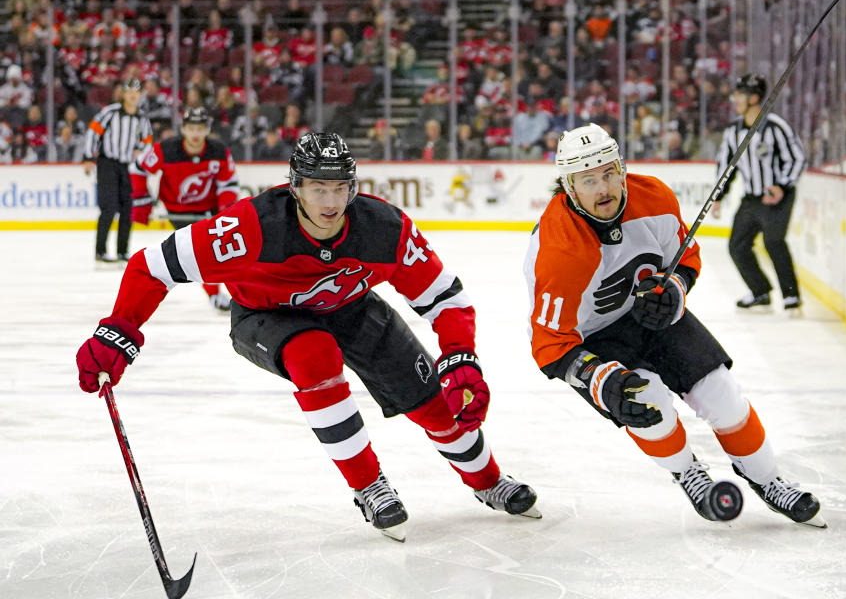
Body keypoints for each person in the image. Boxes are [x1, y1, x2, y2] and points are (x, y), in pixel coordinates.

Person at [76, 131, 540, 542]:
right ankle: (368, 486)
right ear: (294, 187)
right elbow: (150, 267)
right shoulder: (249, 227)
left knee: (433, 402)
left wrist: (460, 356)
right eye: (318, 187)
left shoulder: (386, 229)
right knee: (315, 356)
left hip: (352, 309)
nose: (330, 201)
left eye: (339, 187)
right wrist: (119, 329)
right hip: (266, 316)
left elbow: (445, 298)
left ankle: (489, 482)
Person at [524, 123, 824, 527]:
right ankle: (688, 472)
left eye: (610, 172)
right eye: (589, 179)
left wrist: (675, 291)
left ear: (622, 167)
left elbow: (686, 257)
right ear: (569, 187)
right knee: (647, 406)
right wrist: (596, 379)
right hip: (591, 337)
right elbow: (549, 342)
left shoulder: (655, 199)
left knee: (723, 394)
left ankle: (768, 480)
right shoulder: (559, 250)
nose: (604, 188)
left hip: (652, 316)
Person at [129, 107, 240, 312]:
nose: (195, 134)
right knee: (206, 253)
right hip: (179, 211)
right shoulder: (166, 149)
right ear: (184, 129)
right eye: (191, 128)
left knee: (229, 254)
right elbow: (138, 169)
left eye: (200, 128)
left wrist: (225, 211)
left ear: (207, 129)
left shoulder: (219, 151)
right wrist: (141, 198)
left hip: (211, 210)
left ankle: (233, 295)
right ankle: (215, 294)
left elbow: (229, 184)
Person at [711, 74, 805, 311]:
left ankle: (791, 295)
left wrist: (781, 186)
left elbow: (797, 158)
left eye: (740, 95)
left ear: (754, 98)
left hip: (777, 198)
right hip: (752, 198)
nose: (735, 99)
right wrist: (718, 196)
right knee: (737, 246)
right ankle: (760, 291)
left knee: (773, 241)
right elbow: (726, 166)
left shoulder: (776, 126)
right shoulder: (733, 130)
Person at [82, 77, 153, 266]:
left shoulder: (142, 117)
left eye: (136, 92)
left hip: (128, 167)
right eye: (129, 91)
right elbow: (93, 132)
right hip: (108, 164)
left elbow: (147, 141)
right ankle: (101, 251)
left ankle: (123, 251)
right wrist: (89, 157)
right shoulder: (110, 112)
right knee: (109, 208)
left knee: (128, 210)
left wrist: (141, 151)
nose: (132, 96)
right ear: (123, 93)